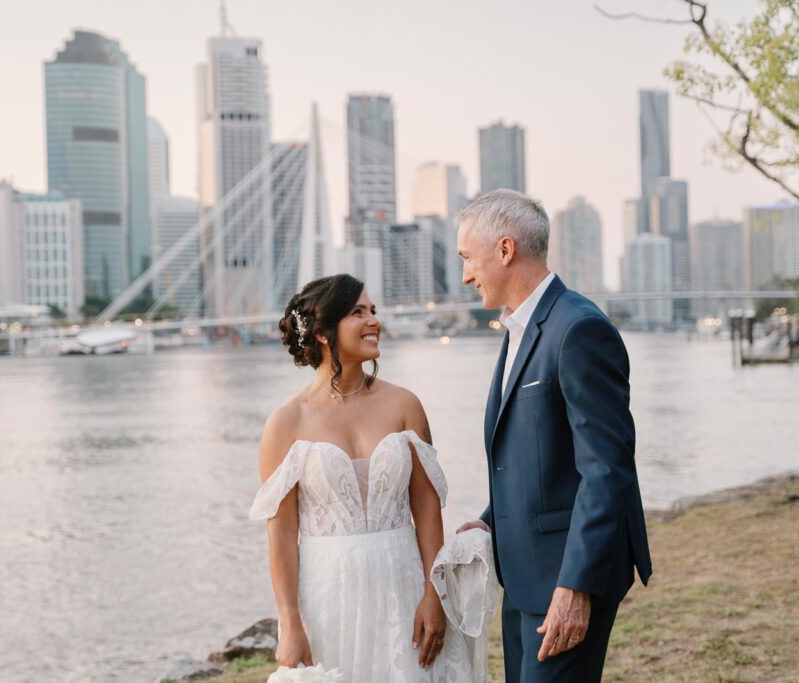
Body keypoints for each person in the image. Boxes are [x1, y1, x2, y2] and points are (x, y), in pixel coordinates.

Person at [454, 189, 652, 682]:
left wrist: (576, 586)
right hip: (523, 576)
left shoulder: (579, 329)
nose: (464, 275)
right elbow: (541, 455)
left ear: (505, 250)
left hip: (565, 579)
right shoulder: (519, 329)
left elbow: (607, 471)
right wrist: (489, 521)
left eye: (467, 258)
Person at [249, 274, 477, 680]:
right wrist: (291, 623)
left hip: (403, 585)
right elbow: (281, 532)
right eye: (358, 312)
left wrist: (434, 594)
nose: (374, 321)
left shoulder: (405, 405)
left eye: (373, 310)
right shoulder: (286, 422)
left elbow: (426, 508)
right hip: (328, 596)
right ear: (322, 333)